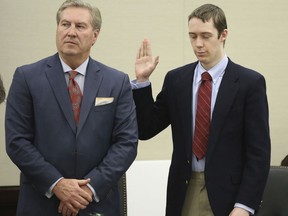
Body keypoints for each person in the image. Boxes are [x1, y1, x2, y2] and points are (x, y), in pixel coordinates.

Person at [133, 4, 270, 216]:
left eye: (206, 36)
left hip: (230, 195)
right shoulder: (177, 80)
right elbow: (146, 129)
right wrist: (142, 82)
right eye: (192, 36)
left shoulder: (249, 83)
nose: (198, 44)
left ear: (223, 34)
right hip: (184, 190)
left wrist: (244, 206)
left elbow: (259, 154)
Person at [5, 0, 138, 215]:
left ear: (95, 35)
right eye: (65, 24)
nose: (71, 32)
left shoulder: (116, 81)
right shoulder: (27, 77)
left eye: (80, 26)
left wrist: (88, 189)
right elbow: (17, 141)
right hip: (41, 203)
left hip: (96, 203)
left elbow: (126, 143)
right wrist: (57, 184)